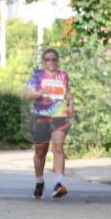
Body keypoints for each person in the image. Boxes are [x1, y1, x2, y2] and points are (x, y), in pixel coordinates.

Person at [25, 48, 73, 199]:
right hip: (40, 116)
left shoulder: (63, 76)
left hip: (59, 117)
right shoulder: (37, 75)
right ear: (43, 62)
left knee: (58, 147)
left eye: (53, 59)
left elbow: (67, 93)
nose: (50, 62)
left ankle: (58, 184)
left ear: (57, 61)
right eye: (47, 59)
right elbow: (28, 95)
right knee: (40, 151)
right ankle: (39, 182)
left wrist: (71, 105)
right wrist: (41, 92)